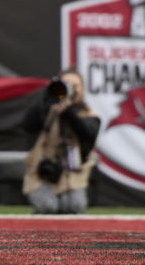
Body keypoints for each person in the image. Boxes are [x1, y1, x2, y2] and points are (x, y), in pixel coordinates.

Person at [22, 70, 99, 214]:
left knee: (74, 206)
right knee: (48, 206)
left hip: (73, 175)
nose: (71, 89)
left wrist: (69, 112)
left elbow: (88, 136)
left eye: (75, 85)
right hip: (42, 173)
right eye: (66, 84)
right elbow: (28, 125)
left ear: (82, 89)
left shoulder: (89, 114)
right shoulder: (47, 108)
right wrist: (46, 96)